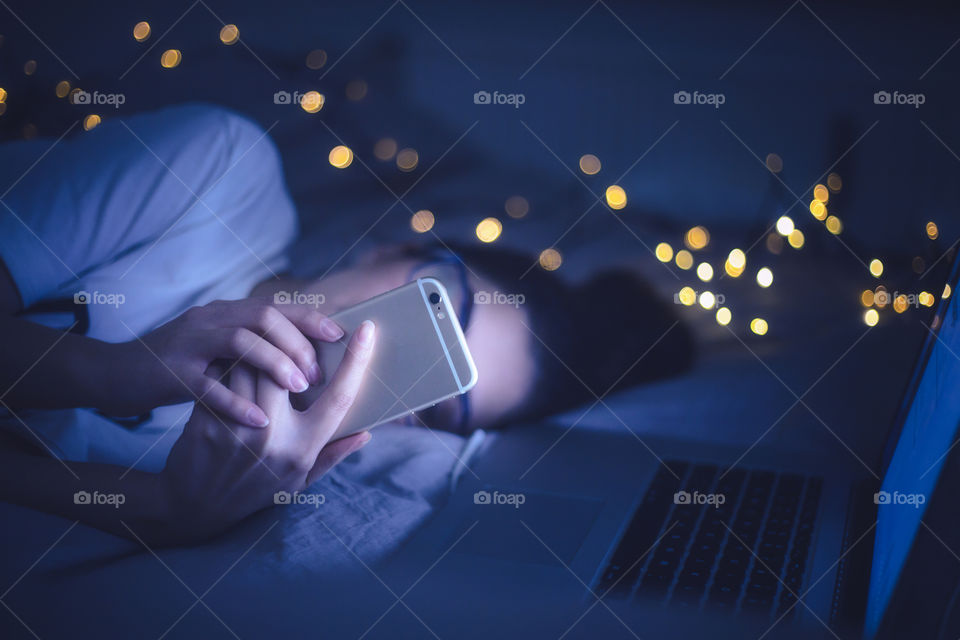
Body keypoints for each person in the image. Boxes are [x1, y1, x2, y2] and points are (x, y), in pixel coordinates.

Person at [0, 104, 692, 545]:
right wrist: (110, 373)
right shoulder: (219, 170)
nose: (370, 364)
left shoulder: (234, 462)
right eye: (428, 315)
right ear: (394, 248)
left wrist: (167, 510)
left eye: (433, 401)